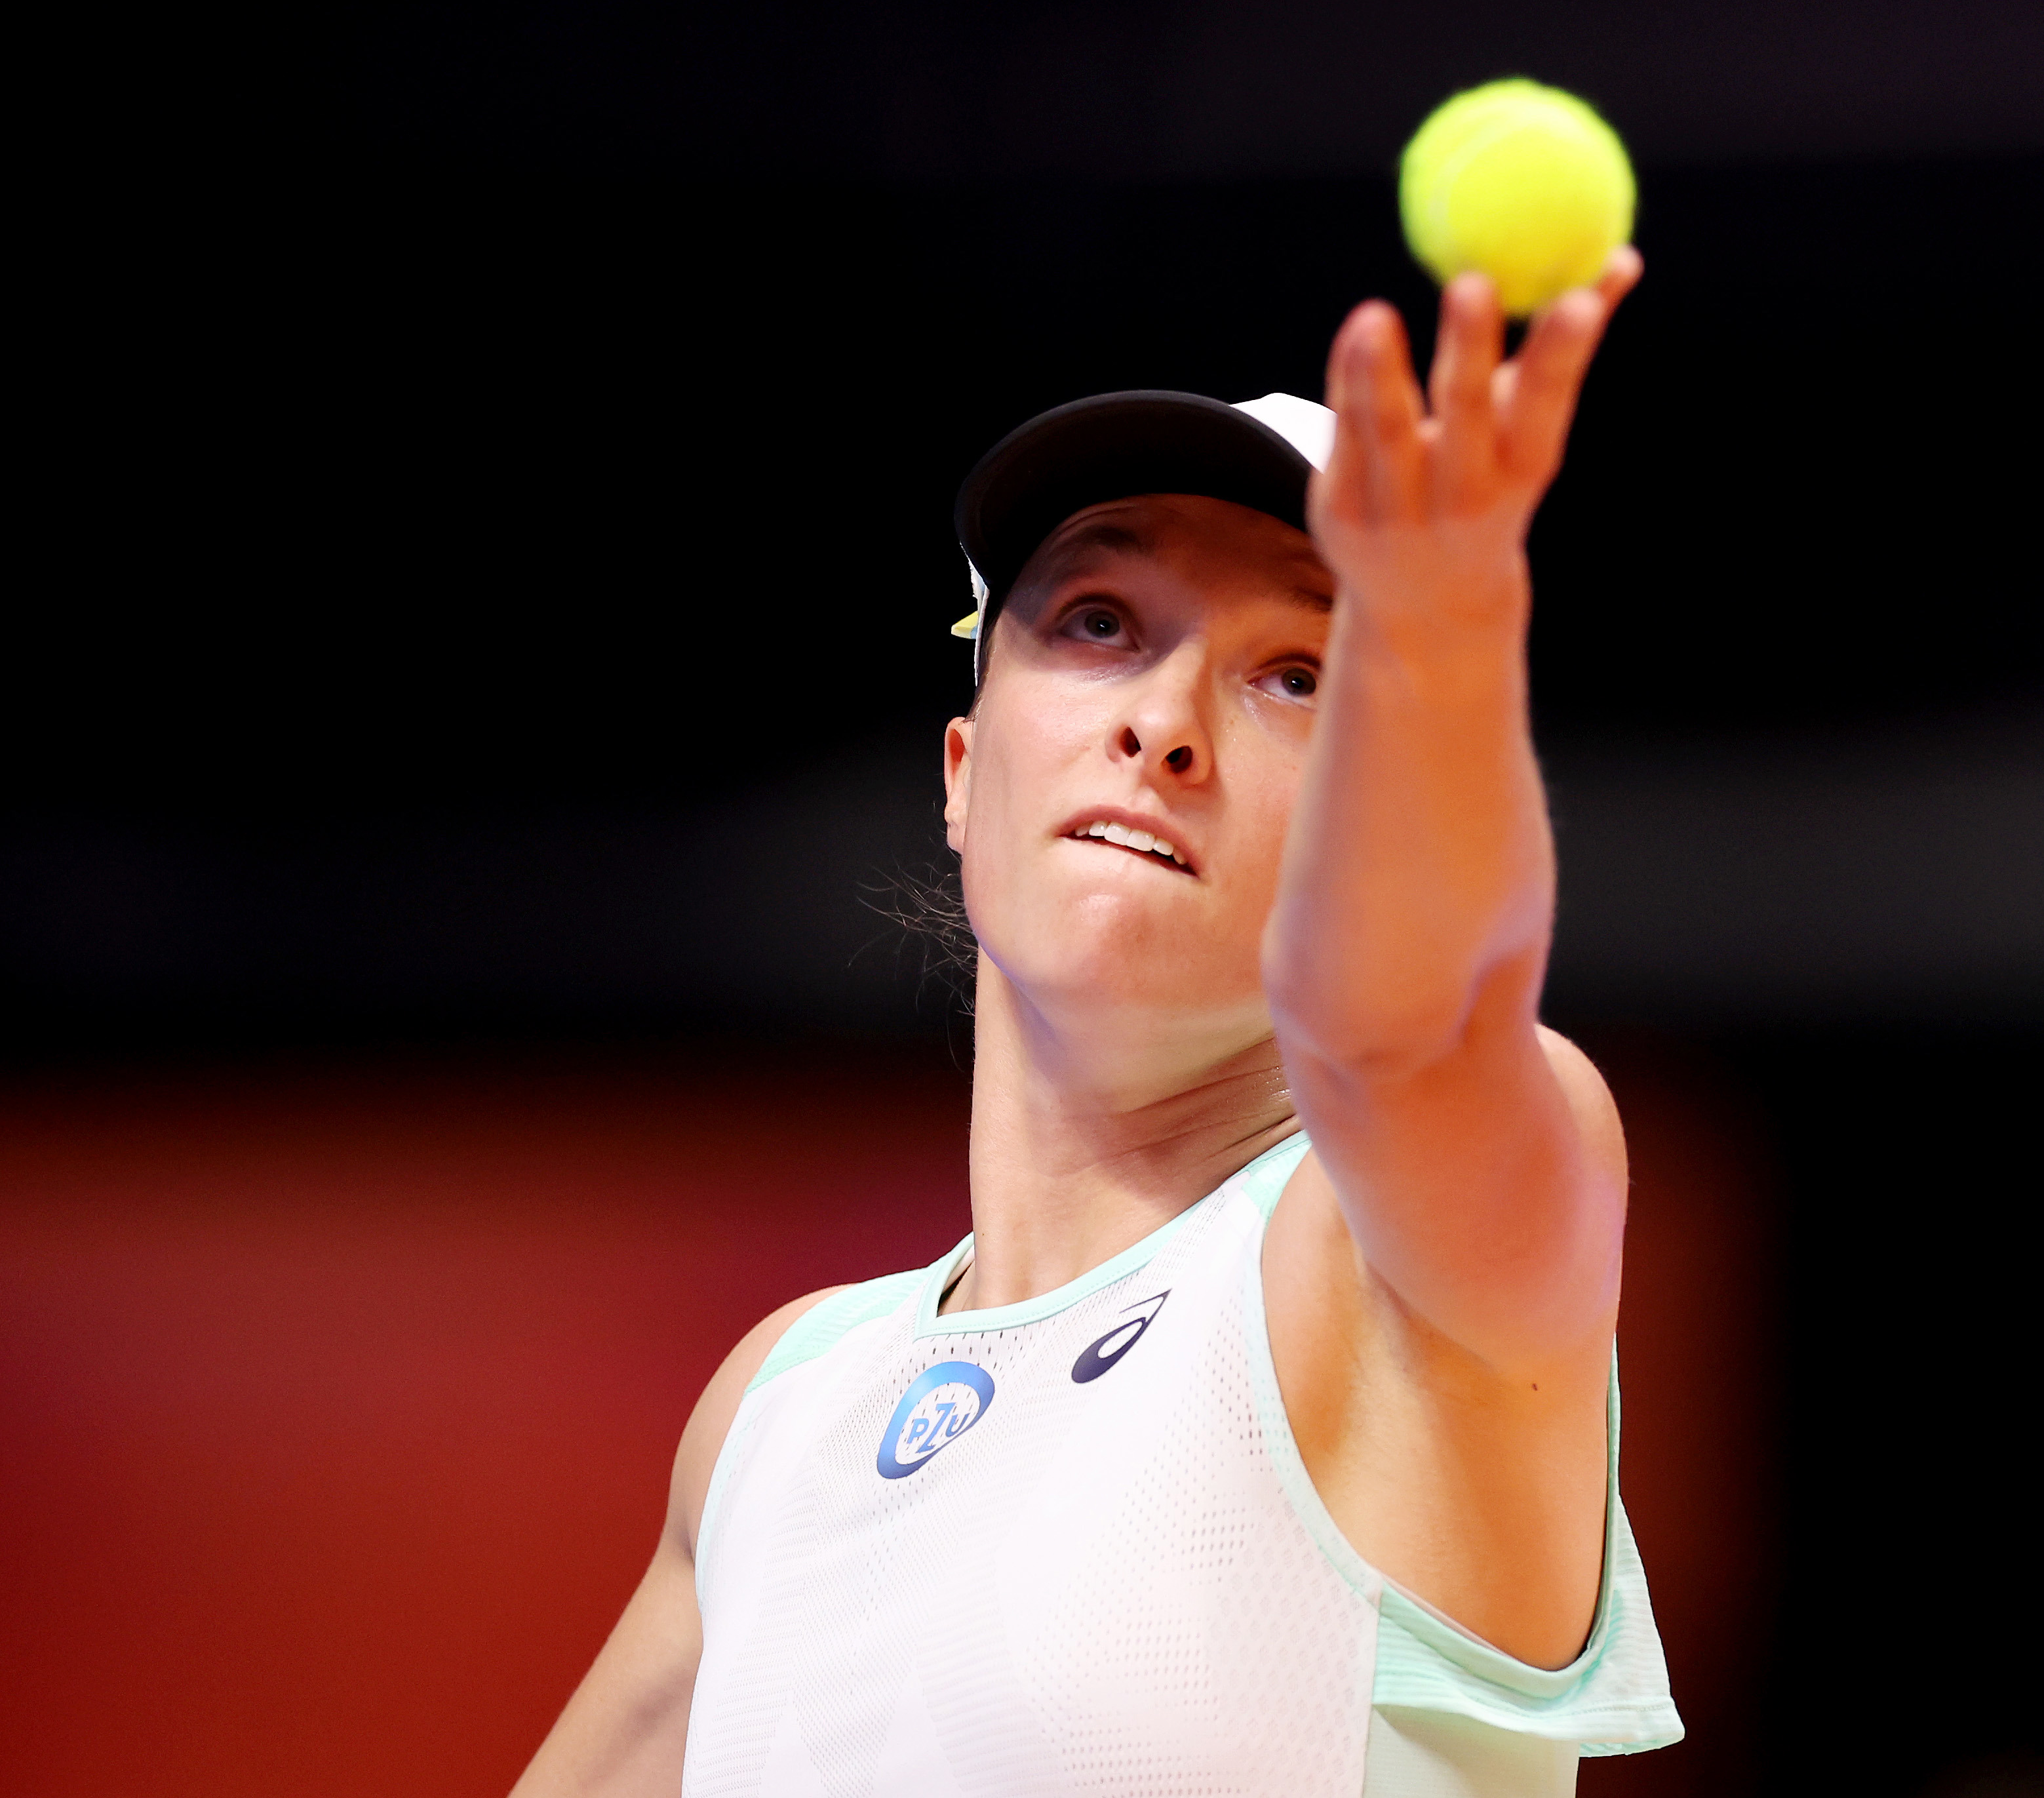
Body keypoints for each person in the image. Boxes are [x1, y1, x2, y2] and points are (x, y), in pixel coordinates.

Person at [513, 247, 1676, 1796]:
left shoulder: (1388, 1272)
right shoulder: (781, 1409)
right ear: (960, 763)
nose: (1163, 720)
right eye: (1102, 623)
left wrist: (1446, 659)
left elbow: (1412, 1024)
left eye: (1297, 674)